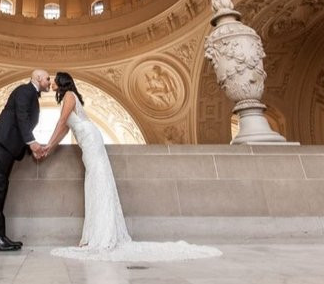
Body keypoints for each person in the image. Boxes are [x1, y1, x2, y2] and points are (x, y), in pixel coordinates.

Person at [44, 71, 222, 262]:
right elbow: (64, 129)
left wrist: (47, 145)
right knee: (94, 181)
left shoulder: (69, 96)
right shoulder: (67, 99)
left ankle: (101, 236)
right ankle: (94, 235)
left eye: (53, 79)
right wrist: (49, 146)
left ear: (61, 82)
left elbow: (62, 122)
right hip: (87, 141)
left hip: (90, 138)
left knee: (97, 179)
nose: (51, 81)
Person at [0, 69, 50, 251]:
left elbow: (23, 121)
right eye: (47, 78)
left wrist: (30, 147)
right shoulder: (24, 90)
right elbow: (21, 116)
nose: (50, 82)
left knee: (0, 188)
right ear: (38, 78)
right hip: (3, 142)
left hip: (8, 144)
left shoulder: (31, 95)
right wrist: (32, 143)